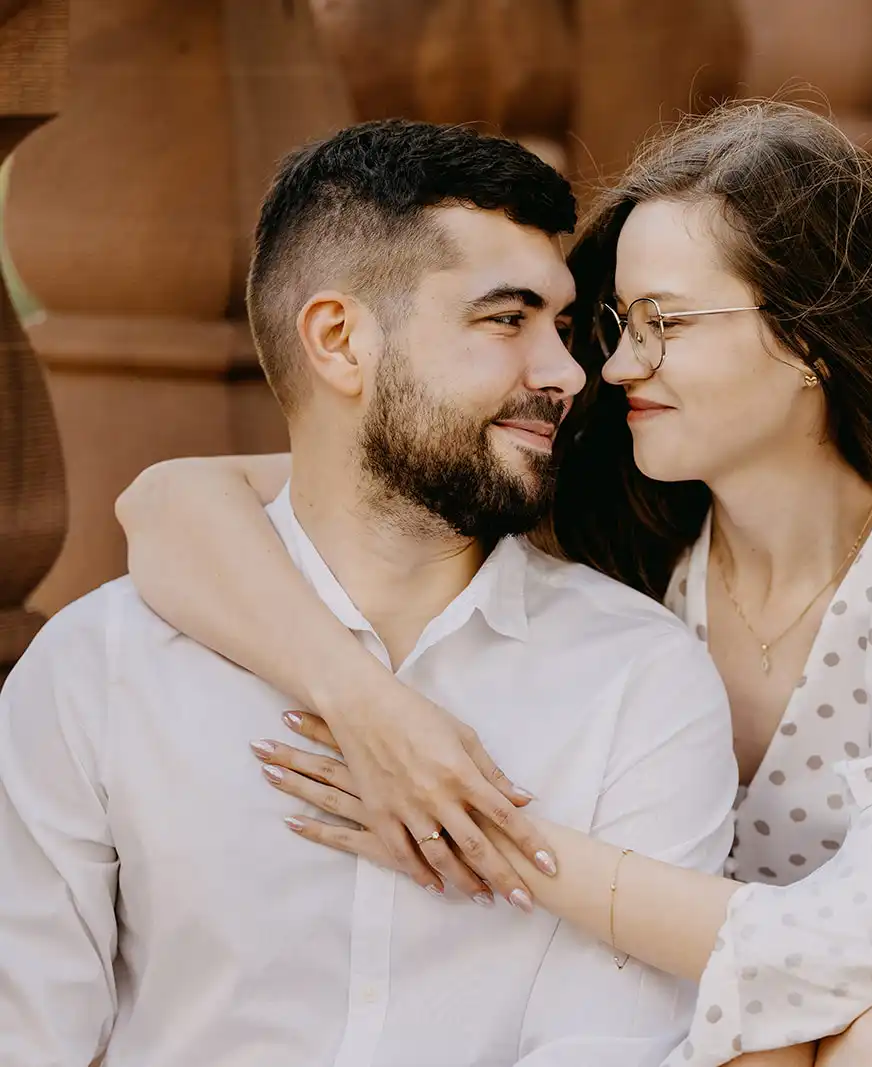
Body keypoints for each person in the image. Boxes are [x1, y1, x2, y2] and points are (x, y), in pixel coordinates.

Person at [115, 102, 872, 1067]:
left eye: (666, 324)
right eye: (617, 325)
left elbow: (856, 948)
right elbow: (166, 505)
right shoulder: (617, 531)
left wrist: (482, 831)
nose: (614, 368)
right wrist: (373, 712)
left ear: (810, 341)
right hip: (725, 1040)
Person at [0, 119, 742, 1066]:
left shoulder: (639, 681)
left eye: (562, 328)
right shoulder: (97, 669)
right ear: (340, 340)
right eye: (506, 319)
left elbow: (606, 1048)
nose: (567, 373)